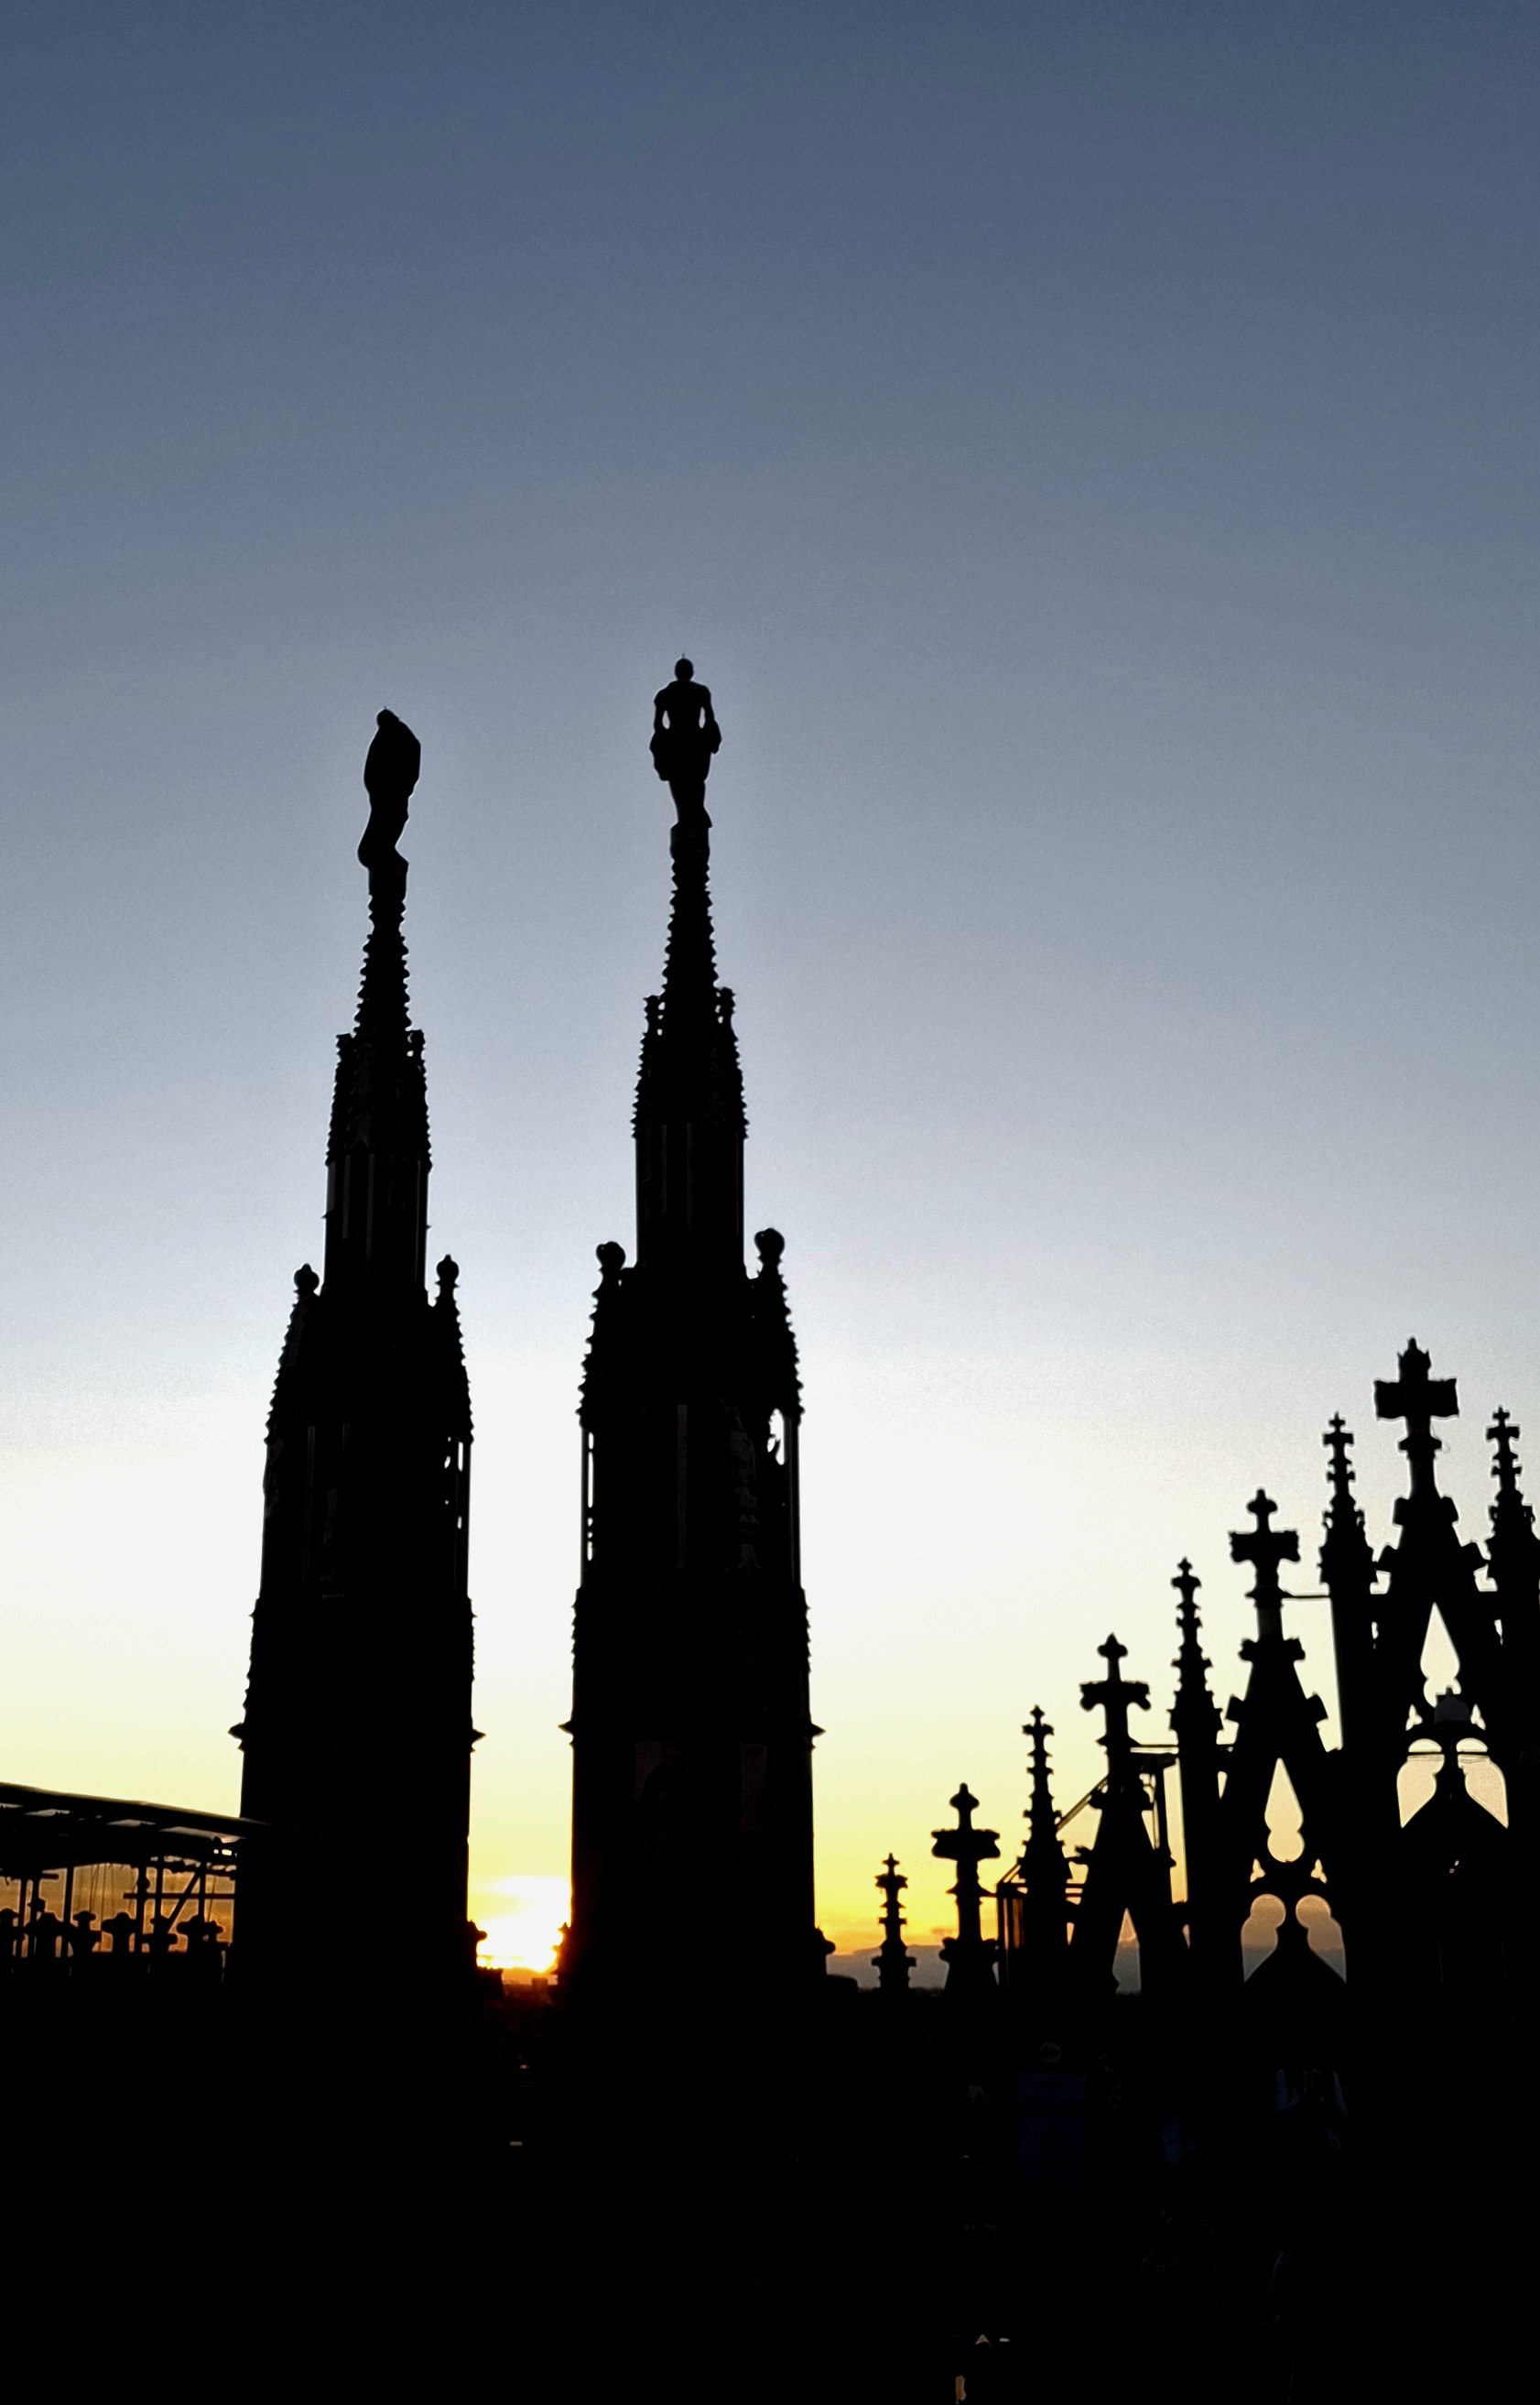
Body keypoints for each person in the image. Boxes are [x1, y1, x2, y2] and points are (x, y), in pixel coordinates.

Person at [650, 659, 721, 834]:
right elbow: (710, 718)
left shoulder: (666, 694)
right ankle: (690, 817)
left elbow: (658, 725)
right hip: (690, 741)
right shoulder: (699, 692)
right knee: (689, 784)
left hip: (682, 742)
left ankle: (690, 817)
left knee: (685, 784)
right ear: (691, 672)